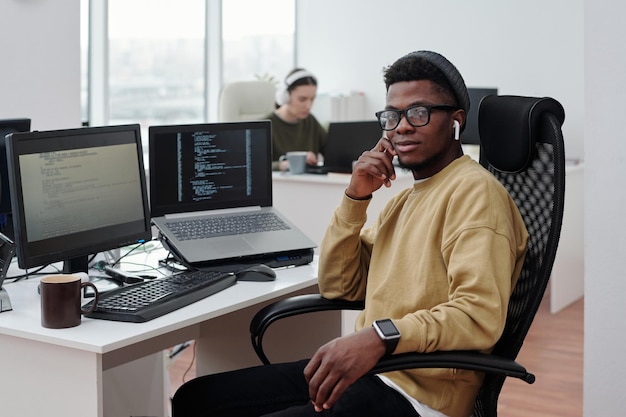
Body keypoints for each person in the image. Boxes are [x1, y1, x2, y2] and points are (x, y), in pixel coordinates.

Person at [171, 50, 529, 417]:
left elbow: (477, 316)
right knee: (195, 399)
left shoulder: (476, 195)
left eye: (418, 113)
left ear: (455, 121)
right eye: (392, 116)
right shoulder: (404, 199)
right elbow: (339, 285)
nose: (401, 126)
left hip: (418, 395)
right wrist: (356, 197)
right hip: (375, 371)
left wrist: (378, 337)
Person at [267, 68, 327, 171]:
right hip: (281, 185)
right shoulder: (267, 125)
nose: (308, 105)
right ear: (285, 96)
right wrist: (285, 164)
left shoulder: (310, 121)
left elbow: (331, 150)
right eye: (302, 99)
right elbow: (256, 166)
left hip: (309, 184)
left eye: (312, 99)